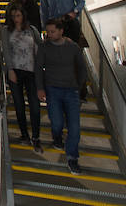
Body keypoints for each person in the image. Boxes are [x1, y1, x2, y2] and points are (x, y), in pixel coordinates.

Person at [36, 18, 87, 175]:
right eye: (48, 32)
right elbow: (38, 68)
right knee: (57, 122)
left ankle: (72, 158)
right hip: (53, 90)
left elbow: (82, 67)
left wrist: (79, 86)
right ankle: (57, 137)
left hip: (71, 91)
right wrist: (40, 88)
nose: (49, 35)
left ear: (61, 31)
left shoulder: (72, 47)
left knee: (74, 127)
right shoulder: (44, 47)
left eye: (52, 32)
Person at [1, 4, 44, 153]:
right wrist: (10, 69)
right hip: (16, 71)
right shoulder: (6, 31)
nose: (16, 19)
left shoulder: (32, 30)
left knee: (34, 105)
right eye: (13, 16)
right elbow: (6, 51)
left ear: (23, 16)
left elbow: (41, 46)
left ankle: (36, 136)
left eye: (18, 15)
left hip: (31, 71)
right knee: (19, 105)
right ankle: (24, 134)